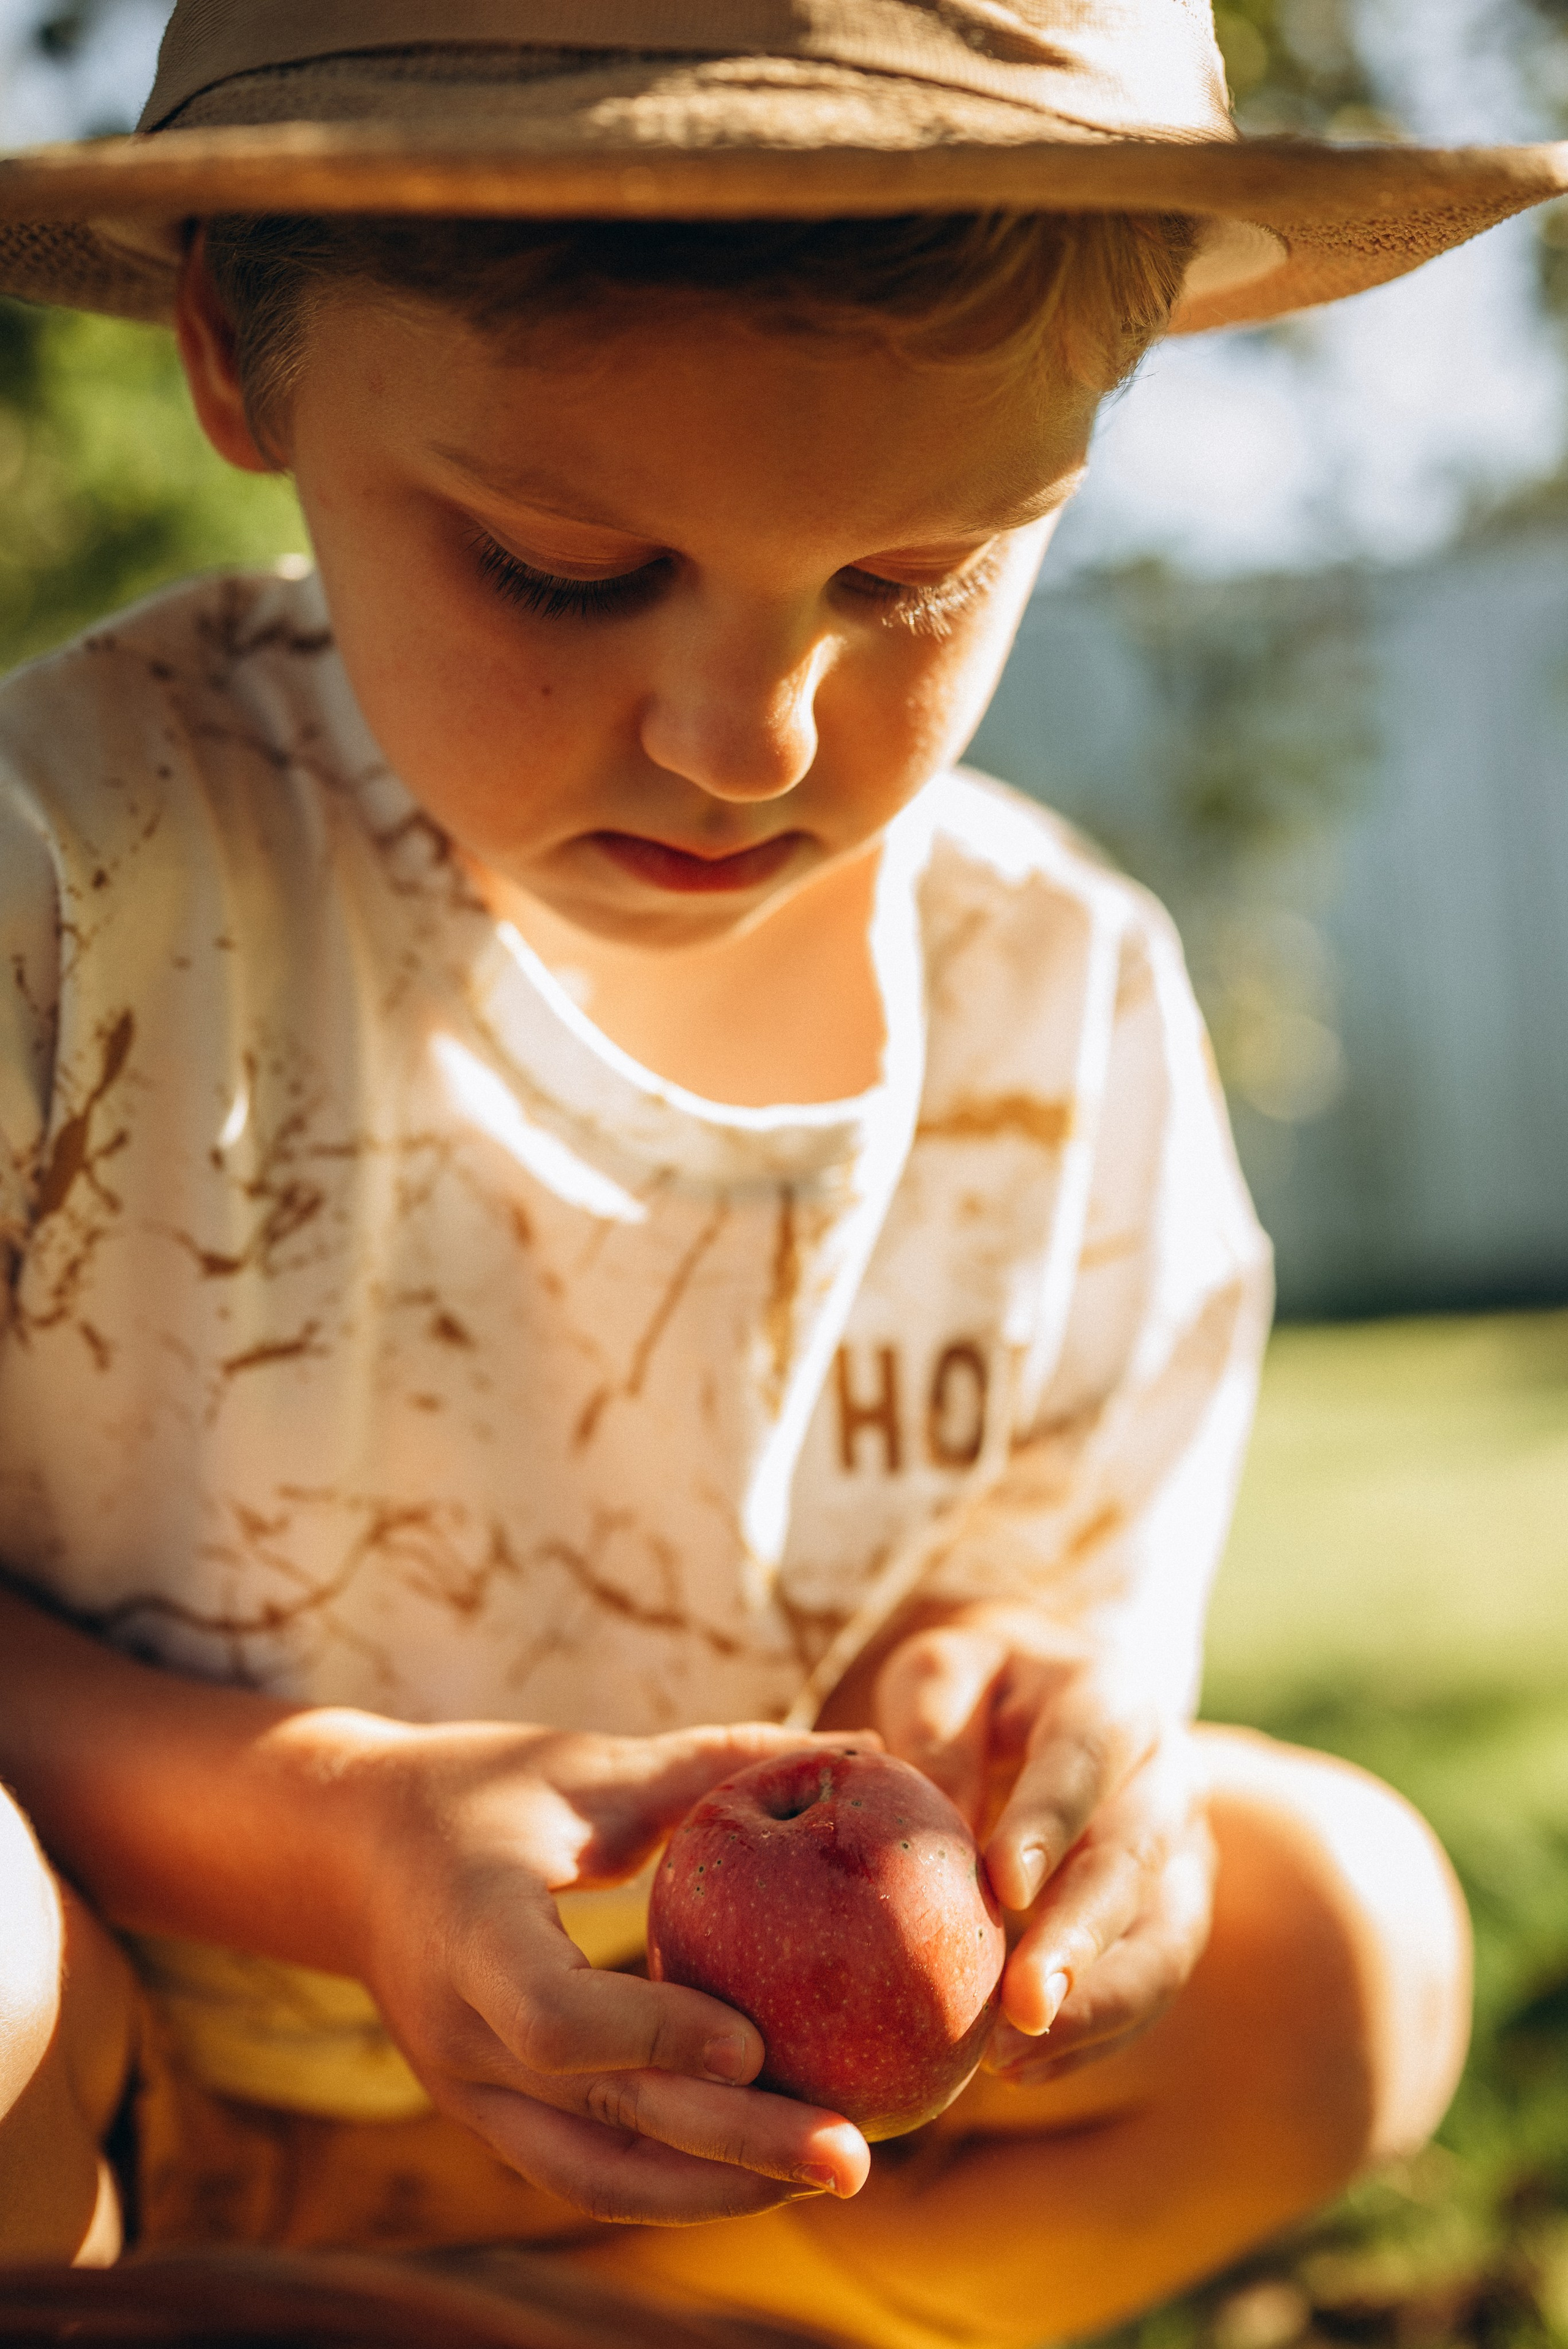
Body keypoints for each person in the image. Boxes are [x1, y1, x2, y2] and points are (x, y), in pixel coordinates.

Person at [0, 4, 1546, 2343]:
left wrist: (1046, 1733)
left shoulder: (1064, 1019)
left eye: (911, 580)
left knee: (1343, 1927)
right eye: (558, 565)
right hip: (92, 2079)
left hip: (725, 2143)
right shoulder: (75, 879)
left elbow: (1068, 1626)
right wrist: (340, 1832)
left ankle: (631, 2321)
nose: (753, 737)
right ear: (242, 347)